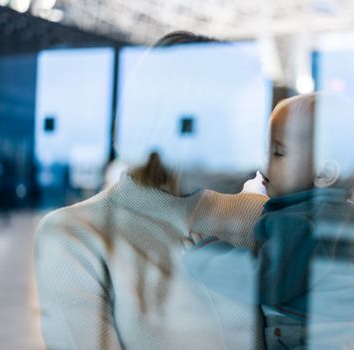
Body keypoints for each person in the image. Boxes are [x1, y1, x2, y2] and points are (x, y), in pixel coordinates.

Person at [34, 31, 269, 349]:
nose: (261, 147)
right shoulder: (76, 237)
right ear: (184, 122)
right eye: (246, 123)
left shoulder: (261, 218)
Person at [183, 92, 354, 349]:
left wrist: (206, 257)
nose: (263, 162)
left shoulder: (302, 222)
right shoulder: (340, 221)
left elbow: (266, 281)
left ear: (324, 173)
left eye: (278, 153)